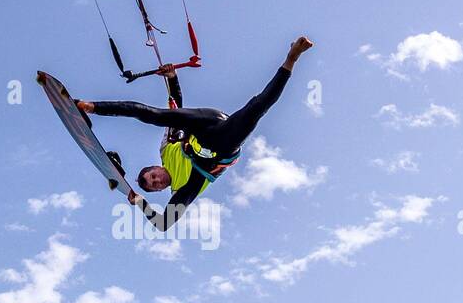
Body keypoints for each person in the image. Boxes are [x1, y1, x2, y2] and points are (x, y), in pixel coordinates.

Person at [76, 37, 313, 231]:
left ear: (154, 167)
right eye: (155, 186)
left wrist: (172, 78)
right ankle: (291, 59)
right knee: (257, 108)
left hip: (204, 124)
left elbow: (174, 110)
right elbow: (163, 224)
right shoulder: (182, 189)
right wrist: (140, 203)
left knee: (153, 115)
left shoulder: (166, 150)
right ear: (159, 191)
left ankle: (91, 106)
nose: (157, 181)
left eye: (153, 176)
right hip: (222, 148)